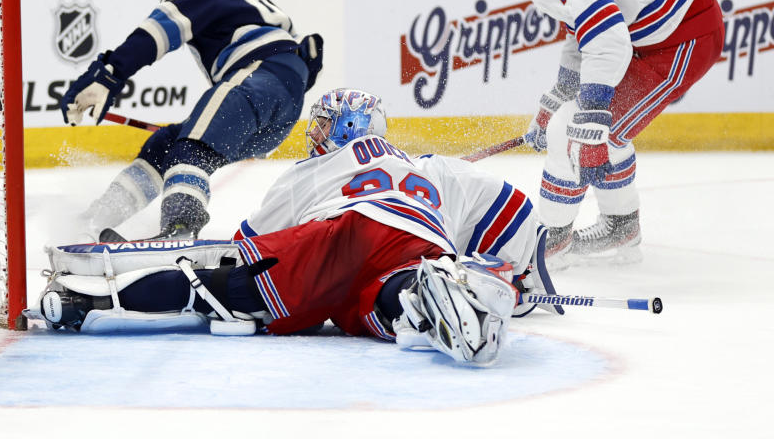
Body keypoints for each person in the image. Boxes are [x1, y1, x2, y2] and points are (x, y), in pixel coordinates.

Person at [31, 88, 561, 367]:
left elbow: (240, 249)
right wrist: (530, 287)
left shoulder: (312, 170)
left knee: (221, 288)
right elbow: (515, 213)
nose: (316, 136)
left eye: (325, 125)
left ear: (347, 128)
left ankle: (86, 303)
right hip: (423, 243)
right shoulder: (434, 166)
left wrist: (174, 254)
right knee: (383, 303)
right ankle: (433, 296)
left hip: (347, 230)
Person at [473, 0, 724, 261]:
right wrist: (557, 99)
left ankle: (549, 245)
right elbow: (584, 31)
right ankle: (621, 225)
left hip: (682, 37)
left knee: (573, 133)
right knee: (581, 127)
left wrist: (589, 115)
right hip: (678, 28)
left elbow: (607, 35)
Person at [60, 0, 324, 241]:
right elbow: (299, 61)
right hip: (278, 106)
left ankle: (180, 228)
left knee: (190, 151)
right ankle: (100, 216)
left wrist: (108, 75)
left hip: (253, 79)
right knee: (166, 145)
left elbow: (156, 34)